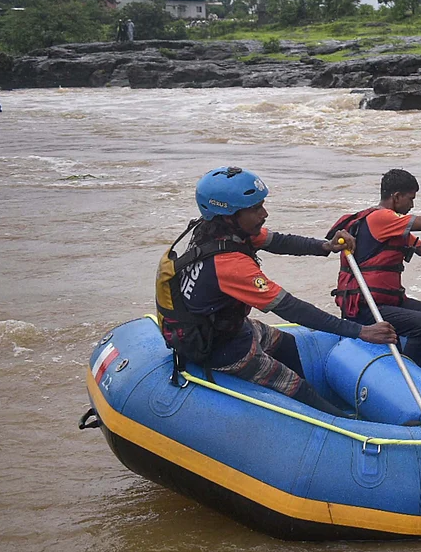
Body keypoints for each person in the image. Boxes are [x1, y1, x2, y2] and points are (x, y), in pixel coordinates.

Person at [155, 166, 397, 416]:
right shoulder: (229, 264)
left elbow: (279, 241)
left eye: (262, 204)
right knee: (294, 385)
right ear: (229, 215)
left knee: (287, 343)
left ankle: (313, 400)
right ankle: (335, 418)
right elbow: (291, 308)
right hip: (223, 350)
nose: (264, 213)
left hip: (223, 328)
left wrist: (326, 246)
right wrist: (360, 331)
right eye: (255, 209)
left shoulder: (217, 231)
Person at [328, 169, 421, 365]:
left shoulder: (393, 225)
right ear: (396, 197)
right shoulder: (381, 218)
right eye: (410, 199)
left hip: (390, 302)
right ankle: (408, 374)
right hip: (365, 308)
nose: (412, 205)